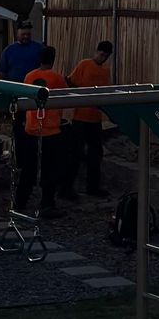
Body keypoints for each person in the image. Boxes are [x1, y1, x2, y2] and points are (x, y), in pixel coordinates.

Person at [12, 45, 69, 216]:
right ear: (53, 59)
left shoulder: (29, 76)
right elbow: (64, 98)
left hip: (31, 128)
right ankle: (47, 204)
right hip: (50, 130)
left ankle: (20, 201)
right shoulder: (57, 79)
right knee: (49, 168)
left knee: (29, 168)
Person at [59, 39, 113, 201]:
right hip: (80, 117)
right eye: (100, 54)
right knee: (75, 153)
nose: (101, 57)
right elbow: (70, 81)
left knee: (96, 154)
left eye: (104, 55)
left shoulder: (105, 71)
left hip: (95, 117)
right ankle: (66, 188)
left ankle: (93, 186)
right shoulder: (85, 65)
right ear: (96, 52)